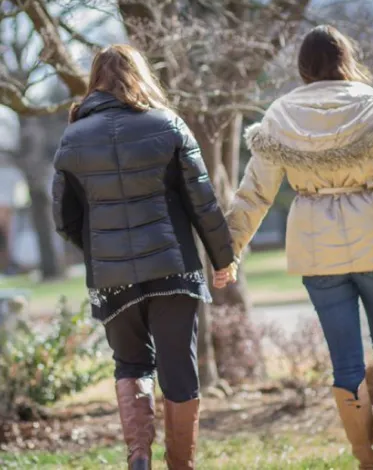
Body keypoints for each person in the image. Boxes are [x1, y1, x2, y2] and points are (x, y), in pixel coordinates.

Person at [218, 26, 373, 470]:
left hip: (317, 248)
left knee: (345, 360)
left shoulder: (281, 114)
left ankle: (365, 459)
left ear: (304, 65)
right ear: (345, 59)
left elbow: (252, 195)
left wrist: (228, 253)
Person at [52, 44, 234, 470]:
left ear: (94, 80)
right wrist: (223, 258)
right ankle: (180, 465)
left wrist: (103, 250)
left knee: (131, 363)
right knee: (177, 367)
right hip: (174, 269)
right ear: (141, 76)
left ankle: (138, 456)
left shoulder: (73, 137)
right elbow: (203, 203)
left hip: (112, 277)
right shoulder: (168, 124)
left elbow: (63, 219)